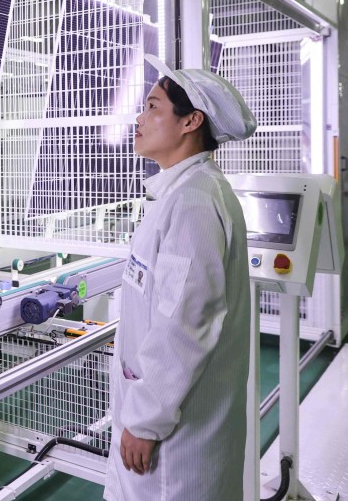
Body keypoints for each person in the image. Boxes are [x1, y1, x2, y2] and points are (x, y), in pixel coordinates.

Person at [103, 54, 257, 501]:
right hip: (171, 416)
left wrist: (146, 420)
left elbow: (183, 323)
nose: (139, 117)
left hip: (175, 441)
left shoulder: (193, 201)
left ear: (191, 122)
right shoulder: (182, 193)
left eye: (153, 107)